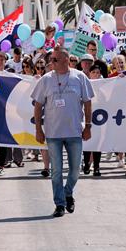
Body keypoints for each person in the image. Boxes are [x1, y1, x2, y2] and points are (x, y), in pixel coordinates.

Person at [33, 46, 94, 217]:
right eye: (51, 59)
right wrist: (38, 128)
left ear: (66, 60)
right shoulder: (45, 80)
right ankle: (59, 203)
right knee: (56, 171)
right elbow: (38, 105)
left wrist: (88, 126)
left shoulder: (79, 77)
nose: (51, 62)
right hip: (53, 134)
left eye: (54, 60)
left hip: (75, 132)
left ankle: (68, 193)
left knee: (75, 170)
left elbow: (88, 102)